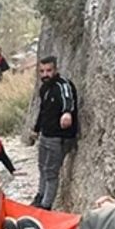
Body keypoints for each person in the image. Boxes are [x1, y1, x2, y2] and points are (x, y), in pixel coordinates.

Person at [28, 56, 78, 209]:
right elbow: (43, 110)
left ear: (55, 69)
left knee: (51, 172)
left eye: (49, 70)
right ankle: (39, 197)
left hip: (59, 137)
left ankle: (46, 206)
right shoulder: (44, 88)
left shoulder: (63, 85)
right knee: (42, 167)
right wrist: (36, 129)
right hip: (45, 135)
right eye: (42, 71)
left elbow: (68, 99)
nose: (45, 74)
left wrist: (67, 113)